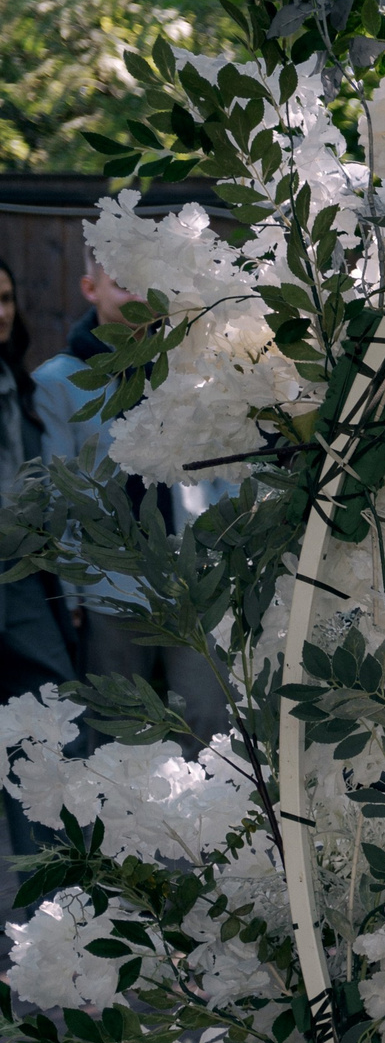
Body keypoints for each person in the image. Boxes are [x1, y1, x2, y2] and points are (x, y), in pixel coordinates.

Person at [33, 249, 229, 741]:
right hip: (107, 584)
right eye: (121, 281)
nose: (135, 293)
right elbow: (59, 493)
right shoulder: (57, 381)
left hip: (191, 581)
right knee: (118, 725)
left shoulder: (188, 371)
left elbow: (224, 465)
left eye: (145, 281)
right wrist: (71, 587)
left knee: (208, 719)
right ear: (90, 288)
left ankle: (204, 816)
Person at [0, 257, 77, 852]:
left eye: (4, 299)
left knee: (47, 727)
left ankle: (50, 902)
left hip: (22, 579)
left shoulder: (20, 389)